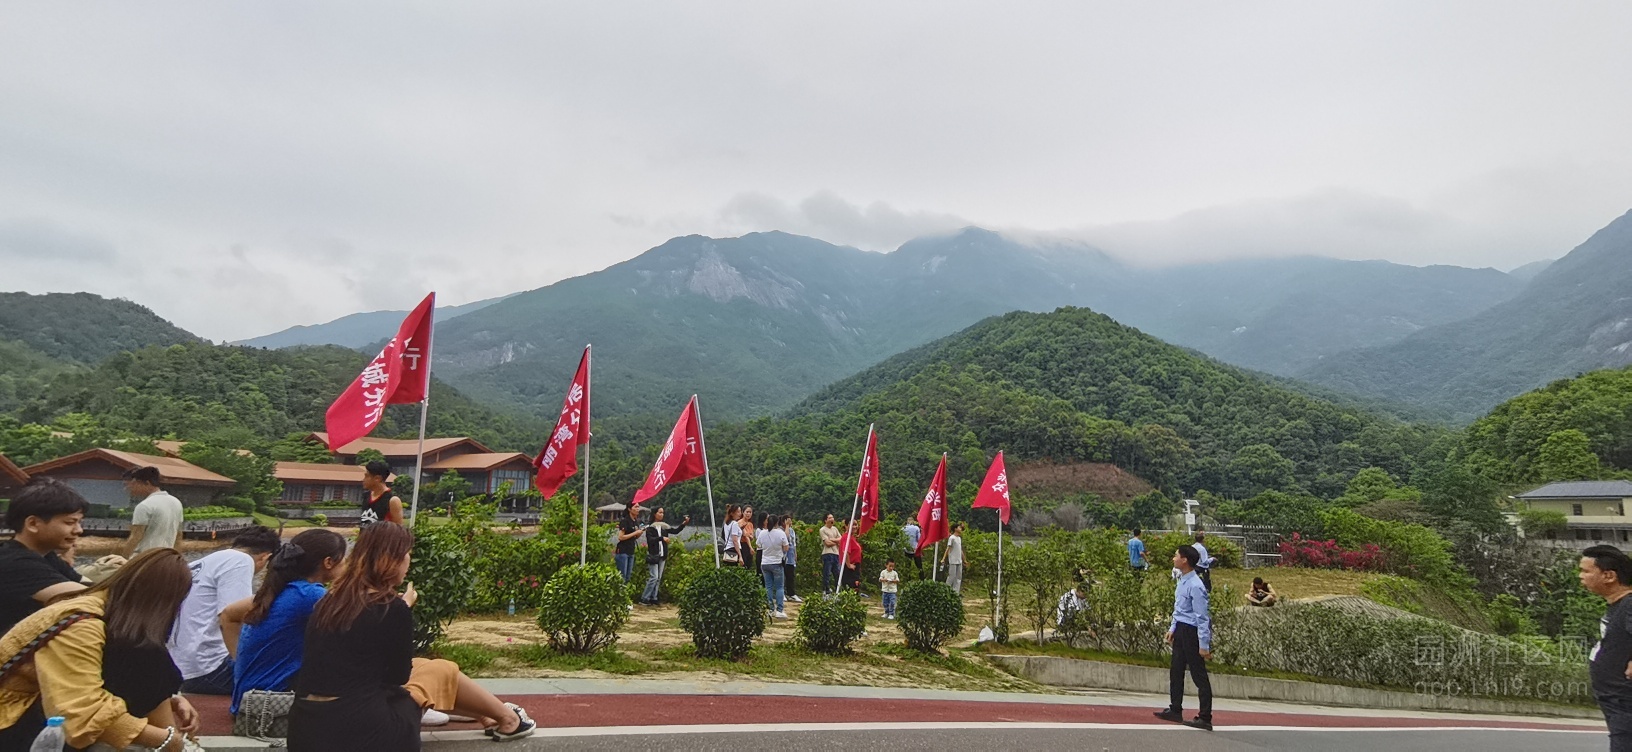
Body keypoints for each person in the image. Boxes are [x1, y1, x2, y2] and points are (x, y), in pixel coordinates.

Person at [288, 523, 536, 749]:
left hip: (306, 728)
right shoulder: (392, 608)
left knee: (427, 666)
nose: (409, 561)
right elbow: (397, 677)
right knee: (438, 670)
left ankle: (496, 716)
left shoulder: (328, 601)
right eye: (407, 554)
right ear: (392, 560)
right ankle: (508, 718)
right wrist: (404, 608)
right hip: (364, 731)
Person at [0, 549, 202, 751]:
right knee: (148, 656)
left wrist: (165, 698)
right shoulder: (81, 625)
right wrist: (167, 739)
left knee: (148, 658)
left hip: (22, 711)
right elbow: (81, 710)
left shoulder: (101, 608)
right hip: (8, 723)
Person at [221, 529, 348, 717]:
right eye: (344, 559)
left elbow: (228, 615)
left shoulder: (277, 590)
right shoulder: (310, 595)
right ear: (328, 562)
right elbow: (355, 629)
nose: (346, 565)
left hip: (247, 701)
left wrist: (239, 662)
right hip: (272, 706)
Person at [170, 525, 282, 695]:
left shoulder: (200, 563)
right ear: (265, 557)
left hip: (180, 666)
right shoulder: (241, 561)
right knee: (285, 670)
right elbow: (236, 617)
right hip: (208, 668)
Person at [0, 479, 90, 636]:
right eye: (70, 522)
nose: (79, 530)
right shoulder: (16, 563)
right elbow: (92, 599)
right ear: (33, 524)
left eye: (79, 522)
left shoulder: (46, 556)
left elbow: (90, 586)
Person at [1154, 544, 1213, 731]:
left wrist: (1203, 644)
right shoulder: (1182, 580)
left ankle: (1205, 717)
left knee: (1198, 674)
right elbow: (1179, 609)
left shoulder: (1196, 585)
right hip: (1181, 628)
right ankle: (1175, 709)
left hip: (1191, 631)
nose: (1174, 558)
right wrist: (1173, 627)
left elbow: (1202, 617)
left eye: (1176, 555)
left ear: (1185, 560)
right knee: (1176, 670)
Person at [1581, 544, 1632, 750]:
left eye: (1586, 571)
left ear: (1609, 576)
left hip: (1626, 704)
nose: (1581, 576)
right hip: (1616, 703)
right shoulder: (1617, 606)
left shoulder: (1629, 605)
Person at [121, 466, 184, 558]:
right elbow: (178, 536)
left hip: (145, 558)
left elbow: (135, 537)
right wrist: (177, 559)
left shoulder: (144, 506)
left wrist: (123, 559)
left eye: (134, 484)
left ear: (147, 483)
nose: (128, 488)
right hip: (166, 557)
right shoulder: (176, 502)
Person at [639, 508, 689, 605]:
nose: (662, 514)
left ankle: (654, 597)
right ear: (655, 514)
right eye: (660, 512)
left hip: (662, 554)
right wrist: (661, 538)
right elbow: (650, 540)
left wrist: (684, 524)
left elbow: (675, 531)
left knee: (658, 578)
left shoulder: (664, 526)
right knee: (654, 577)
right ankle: (644, 598)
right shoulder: (650, 527)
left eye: (663, 513)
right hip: (653, 554)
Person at [757, 514, 790, 619]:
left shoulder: (762, 533)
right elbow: (786, 548)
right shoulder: (780, 533)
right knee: (779, 587)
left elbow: (758, 545)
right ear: (777, 522)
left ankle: (771, 609)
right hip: (777, 562)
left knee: (768, 587)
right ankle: (779, 610)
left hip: (765, 563)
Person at [358, 460, 404, 527]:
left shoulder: (392, 500)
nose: (363, 480)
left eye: (366, 476)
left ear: (377, 478)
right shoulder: (366, 496)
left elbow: (399, 529)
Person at [614, 504, 645, 583]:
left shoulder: (635, 521)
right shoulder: (625, 521)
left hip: (631, 550)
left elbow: (635, 537)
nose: (638, 509)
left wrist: (640, 532)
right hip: (623, 551)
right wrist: (635, 533)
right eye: (636, 507)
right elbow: (621, 537)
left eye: (638, 507)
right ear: (629, 509)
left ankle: (626, 590)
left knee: (628, 577)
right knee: (622, 577)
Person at [838, 521, 865, 598]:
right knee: (850, 589)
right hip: (849, 569)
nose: (855, 527)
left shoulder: (852, 537)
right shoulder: (846, 537)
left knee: (855, 589)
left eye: (856, 525)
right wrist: (848, 564)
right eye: (852, 525)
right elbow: (845, 551)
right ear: (846, 526)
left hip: (854, 567)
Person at [819, 514, 842, 593]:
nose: (832, 519)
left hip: (836, 553)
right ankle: (826, 590)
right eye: (829, 518)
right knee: (827, 573)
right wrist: (836, 541)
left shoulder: (835, 529)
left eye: (832, 518)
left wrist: (832, 539)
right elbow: (827, 543)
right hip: (827, 554)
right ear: (825, 520)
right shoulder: (822, 529)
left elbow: (841, 539)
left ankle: (838, 591)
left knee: (837, 574)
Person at [781, 515, 801, 603]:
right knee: (782, 576)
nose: (790, 522)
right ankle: (782, 593)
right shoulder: (780, 530)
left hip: (791, 556)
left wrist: (795, 553)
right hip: (783, 556)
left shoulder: (792, 531)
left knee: (790, 575)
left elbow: (793, 543)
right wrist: (787, 526)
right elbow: (785, 538)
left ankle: (791, 593)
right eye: (788, 520)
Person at [941, 523, 965, 595]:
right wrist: (943, 558)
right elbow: (948, 548)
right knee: (951, 576)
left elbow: (960, 550)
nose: (960, 529)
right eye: (959, 527)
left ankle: (956, 593)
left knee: (958, 578)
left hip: (959, 560)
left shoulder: (959, 538)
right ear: (955, 529)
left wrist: (964, 559)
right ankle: (946, 590)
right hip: (953, 560)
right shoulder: (952, 538)